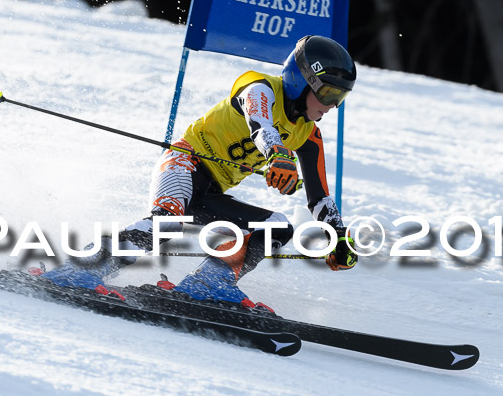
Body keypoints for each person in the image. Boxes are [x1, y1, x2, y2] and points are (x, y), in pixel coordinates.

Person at [42, 35, 358, 311]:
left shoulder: (308, 135)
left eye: (340, 98)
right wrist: (277, 154)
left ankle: (210, 282)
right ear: (302, 81)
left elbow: (320, 199)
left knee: (277, 226)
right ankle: (80, 268)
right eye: (329, 94)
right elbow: (260, 125)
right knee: (168, 220)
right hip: (184, 164)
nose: (332, 106)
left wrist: (338, 236)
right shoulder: (261, 88)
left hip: (210, 193)